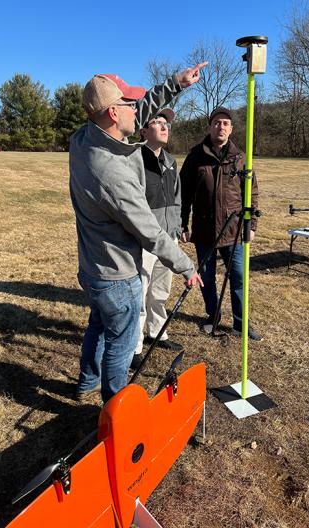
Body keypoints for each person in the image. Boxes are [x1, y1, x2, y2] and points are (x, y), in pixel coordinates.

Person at [70, 65, 206, 403]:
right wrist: (186, 266)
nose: (139, 109)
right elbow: (150, 233)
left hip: (92, 267)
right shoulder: (112, 173)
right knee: (120, 342)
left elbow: (135, 115)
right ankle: (115, 408)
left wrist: (176, 85)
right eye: (130, 103)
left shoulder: (84, 138)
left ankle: (87, 381)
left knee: (98, 325)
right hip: (117, 275)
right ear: (114, 112)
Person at [180, 107, 262, 340]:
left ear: (231, 129)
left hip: (233, 231)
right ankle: (212, 317)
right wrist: (183, 224)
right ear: (210, 126)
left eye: (226, 123)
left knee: (238, 277)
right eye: (217, 122)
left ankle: (240, 323)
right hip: (205, 230)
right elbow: (184, 194)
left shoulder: (241, 157)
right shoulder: (196, 156)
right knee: (207, 279)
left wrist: (251, 225)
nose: (221, 127)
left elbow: (251, 194)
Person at [131, 108, 183, 370]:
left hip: (168, 237)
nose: (164, 127)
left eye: (167, 124)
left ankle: (157, 332)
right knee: (140, 292)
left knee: (161, 291)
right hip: (145, 240)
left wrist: (178, 227)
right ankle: (134, 346)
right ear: (143, 131)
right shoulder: (134, 160)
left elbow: (177, 198)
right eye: (157, 122)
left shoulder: (171, 162)